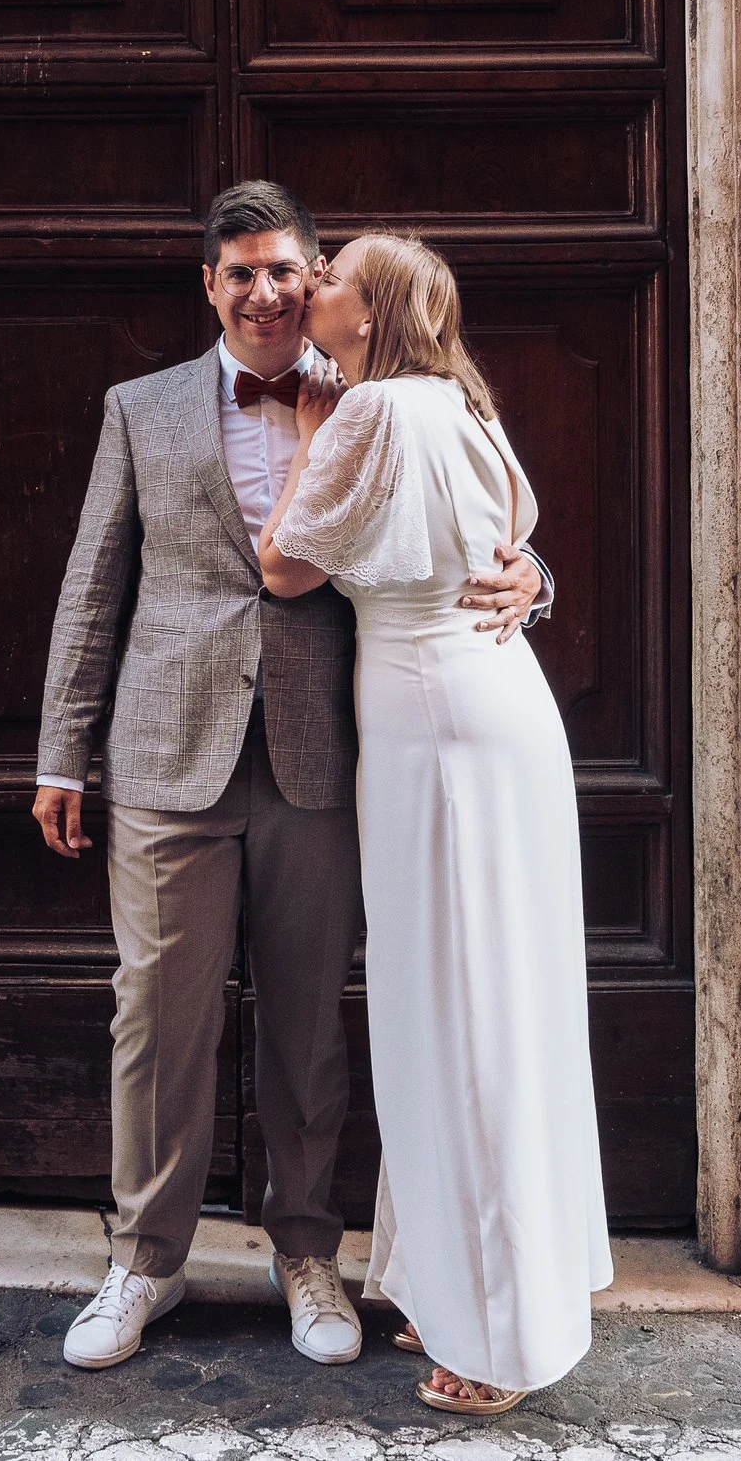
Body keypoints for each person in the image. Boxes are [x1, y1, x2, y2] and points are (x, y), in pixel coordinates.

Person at [33, 183, 553, 1372]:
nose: (266, 291)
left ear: (318, 278)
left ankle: (307, 1250)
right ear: (208, 288)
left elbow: (478, 528)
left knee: (311, 1016)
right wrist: (63, 749)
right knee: (159, 1011)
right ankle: (143, 1260)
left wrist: (537, 581)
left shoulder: (385, 404)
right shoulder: (143, 407)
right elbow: (92, 583)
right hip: (169, 748)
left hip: (326, 754)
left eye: (285, 269)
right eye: (240, 274)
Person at [259, 232, 612, 1416]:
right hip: (494, 703)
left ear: (372, 313)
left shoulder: (366, 415)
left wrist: (311, 436)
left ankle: (498, 1334)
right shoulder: (461, 401)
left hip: (431, 720)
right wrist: (537, 579)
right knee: (491, 995)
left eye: (333, 275)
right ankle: (448, 1278)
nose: (312, 286)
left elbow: (286, 567)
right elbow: (512, 533)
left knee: (453, 1010)